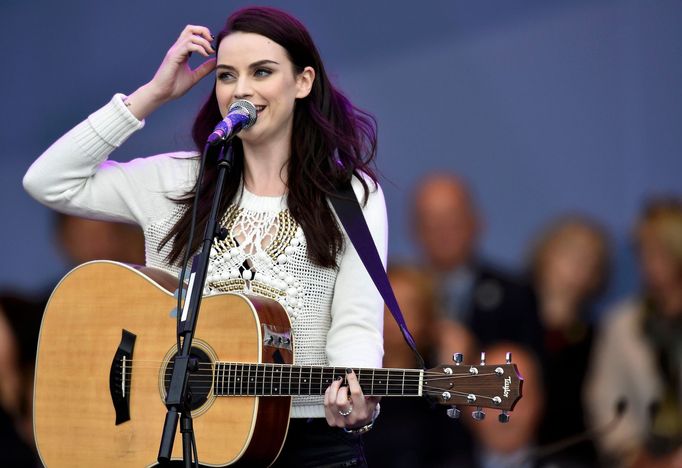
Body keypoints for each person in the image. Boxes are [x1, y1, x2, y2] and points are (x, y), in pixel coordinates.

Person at [23, 7, 386, 466]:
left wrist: (356, 395)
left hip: (307, 443)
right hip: (173, 439)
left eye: (263, 72)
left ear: (303, 81)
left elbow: (356, 323)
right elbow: (48, 181)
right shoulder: (177, 181)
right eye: (227, 76)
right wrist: (153, 95)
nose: (242, 90)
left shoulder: (351, 194)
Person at [585, 198, 682, 467]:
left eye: (659, 251)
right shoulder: (622, 323)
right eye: (643, 252)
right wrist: (638, 458)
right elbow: (605, 402)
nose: (649, 263)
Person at [411, 173, 544, 355]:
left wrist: (473, 358)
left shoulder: (516, 294)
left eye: (452, 217)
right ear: (415, 230)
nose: (442, 230)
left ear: (476, 221)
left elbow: (527, 370)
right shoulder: (394, 297)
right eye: (430, 220)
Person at [527, 215, 610, 465]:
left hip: (574, 456)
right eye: (569, 253)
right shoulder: (510, 320)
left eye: (588, 260)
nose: (577, 267)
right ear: (544, 255)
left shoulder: (598, 339)